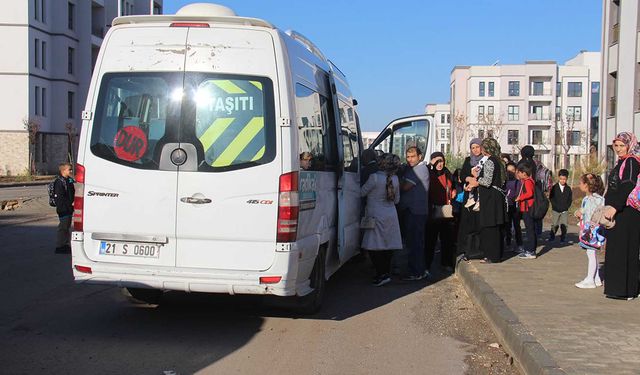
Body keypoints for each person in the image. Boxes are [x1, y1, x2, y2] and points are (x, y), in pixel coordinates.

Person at [603, 132, 640, 300]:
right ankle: (617, 288)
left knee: (626, 250)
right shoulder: (621, 162)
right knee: (617, 250)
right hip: (619, 212)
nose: (618, 149)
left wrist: (615, 207)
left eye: (621, 146)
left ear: (629, 145)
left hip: (627, 213)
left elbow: (628, 185)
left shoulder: (631, 161)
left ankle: (627, 290)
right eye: (616, 146)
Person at [361, 153, 402, 286]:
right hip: (390, 214)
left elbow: (361, 192)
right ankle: (386, 273)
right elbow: (397, 200)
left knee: (373, 245)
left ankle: (381, 273)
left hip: (375, 214)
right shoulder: (395, 179)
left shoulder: (374, 178)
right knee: (388, 245)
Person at [464, 138, 507, 263]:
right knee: (496, 227)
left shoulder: (489, 162)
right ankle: (497, 254)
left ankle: (491, 255)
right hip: (497, 197)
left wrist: (476, 179)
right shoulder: (500, 161)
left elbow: (486, 181)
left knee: (490, 227)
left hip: (490, 198)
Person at [399, 146, 430, 280]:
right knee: (413, 242)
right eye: (408, 157)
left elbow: (405, 187)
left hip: (416, 211)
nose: (410, 159)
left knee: (415, 242)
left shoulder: (419, 169)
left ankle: (417, 272)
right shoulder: (413, 169)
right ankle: (416, 270)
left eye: (413, 157)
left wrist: (395, 181)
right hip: (413, 210)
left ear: (420, 157)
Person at [426, 152, 457, 273]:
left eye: (441, 161)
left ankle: (446, 263)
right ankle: (427, 265)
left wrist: (453, 191)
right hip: (433, 211)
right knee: (430, 240)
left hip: (446, 212)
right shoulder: (429, 173)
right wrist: (431, 164)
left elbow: (453, 185)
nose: (440, 164)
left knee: (447, 240)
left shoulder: (447, 173)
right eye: (436, 161)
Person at [574, 173, 605, 289]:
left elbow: (589, 213)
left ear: (587, 185)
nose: (579, 185)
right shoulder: (599, 198)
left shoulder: (591, 199)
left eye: (581, 183)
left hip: (591, 230)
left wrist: (580, 212)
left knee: (591, 254)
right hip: (596, 230)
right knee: (593, 253)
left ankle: (590, 279)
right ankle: (596, 278)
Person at [457, 138, 484, 260]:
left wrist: (477, 181)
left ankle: (480, 250)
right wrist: (469, 179)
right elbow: (462, 175)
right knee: (467, 223)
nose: (475, 150)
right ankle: (466, 251)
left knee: (480, 223)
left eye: (477, 147)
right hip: (469, 196)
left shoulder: (486, 160)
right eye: (473, 148)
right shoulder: (468, 160)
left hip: (482, 196)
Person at [515, 162, 537, 259]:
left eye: (519, 172)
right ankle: (530, 250)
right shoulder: (528, 181)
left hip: (528, 208)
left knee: (530, 230)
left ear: (524, 173)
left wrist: (520, 198)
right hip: (527, 208)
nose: (518, 174)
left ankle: (531, 251)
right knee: (530, 230)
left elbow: (529, 193)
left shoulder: (528, 182)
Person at [53, 162, 75, 254]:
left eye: (71, 169)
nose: (71, 171)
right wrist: (66, 206)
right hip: (63, 209)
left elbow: (72, 190)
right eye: (69, 169)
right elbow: (60, 198)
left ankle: (65, 244)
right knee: (63, 227)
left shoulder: (68, 180)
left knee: (67, 227)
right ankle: (60, 246)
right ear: (63, 171)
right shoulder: (59, 182)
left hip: (69, 208)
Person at [549, 169, 573, 242]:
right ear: (558, 178)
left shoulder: (568, 189)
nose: (563, 181)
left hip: (564, 210)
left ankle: (563, 237)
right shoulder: (554, 187)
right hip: (555, 209)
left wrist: (566, 207)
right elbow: (551, 198)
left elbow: (570, 199)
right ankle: (552, 236)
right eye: (561, 179)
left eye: (564, 179)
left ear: (567, 179)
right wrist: (555, 206)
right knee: (554, 224)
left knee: (564, 224)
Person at [504, 161, 523, 253]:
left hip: (515, 207)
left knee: (516, 226)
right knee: (507, 226)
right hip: (506, 206)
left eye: (512, 170)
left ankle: (519, 244)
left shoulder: (518, 182)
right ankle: (508, 243)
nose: (510, 172)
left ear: (516, 171)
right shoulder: (504, 182)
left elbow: (518, 194)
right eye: (508, 170)